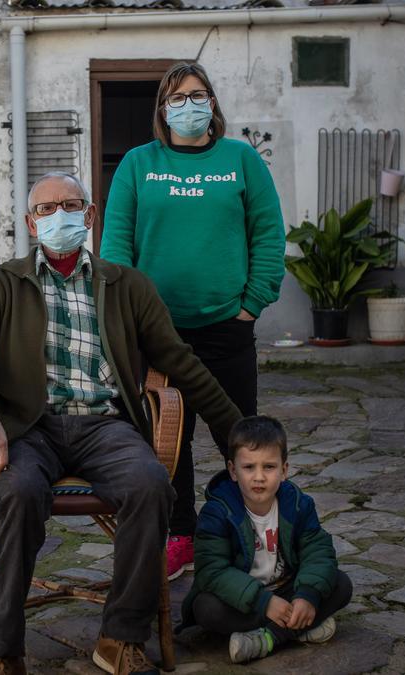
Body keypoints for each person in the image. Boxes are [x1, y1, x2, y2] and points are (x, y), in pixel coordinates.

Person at [0, 172, 241, 675]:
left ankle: (120, 636)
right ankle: (2, 649)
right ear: (33, 224)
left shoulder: (127, 285)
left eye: (71, 205)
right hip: (29, 428)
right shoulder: (3, 284)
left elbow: (181, 363)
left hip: (106, 426)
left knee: (150, 486)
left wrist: (236, 434)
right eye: (47, 210)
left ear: (90, 215)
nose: (61, 216)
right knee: (17, 494)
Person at [100, 62, 286, 582]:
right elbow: (116, 245)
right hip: (159, 335)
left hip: (228, 326)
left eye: (197, 95)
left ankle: (247, 532)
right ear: (162, 108)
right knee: (169, 441)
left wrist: (251, 305)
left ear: (213, 103)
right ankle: (180, 538)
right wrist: (130, 315)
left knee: (240, 439)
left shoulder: (241, 160)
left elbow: (268, 236)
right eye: (177, 97)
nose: (188, 104)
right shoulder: (139, 164)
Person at [180, 415, 352, 664]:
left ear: (284, 470)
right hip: (244, 599)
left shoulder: (297, 504)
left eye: (269, 467)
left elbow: (318, 550)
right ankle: (300, 628)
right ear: (233, 471)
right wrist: (264, 602)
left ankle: (268, 638)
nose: (259, 477)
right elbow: (212, 571)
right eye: (249, 467)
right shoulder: (217, 512)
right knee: (205, 609)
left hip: (286, 588)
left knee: (340, 584)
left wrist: (306, 595)